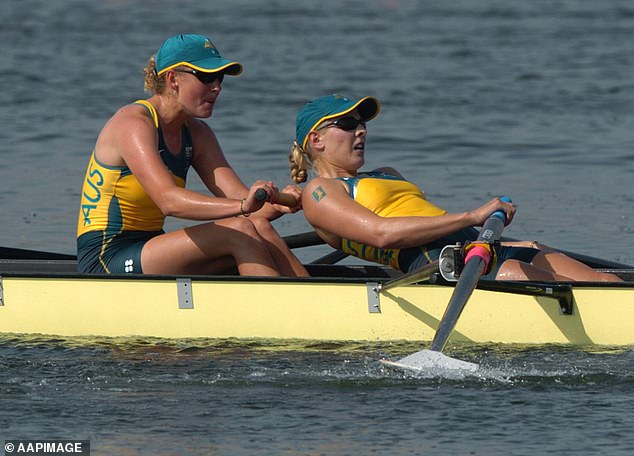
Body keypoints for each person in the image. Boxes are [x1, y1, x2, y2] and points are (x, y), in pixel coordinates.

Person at [288, 94, 622, 282]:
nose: (360, 131)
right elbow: (383, 235)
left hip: (477, 246)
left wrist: (509, 240)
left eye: (361, 124)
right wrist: (471, 215)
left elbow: (429, 219)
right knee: (567, 289)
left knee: (607, 284)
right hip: (441, 261)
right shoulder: (320, 192)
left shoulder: (387, 173)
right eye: (347, 124)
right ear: (315, 140)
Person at [77, 34, 307, 277]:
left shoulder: (197, 133)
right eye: (206, 77)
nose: (217, 87)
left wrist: (278, 203)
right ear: (173, 79)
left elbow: (244, 203)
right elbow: (170, 202)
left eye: (219, 77)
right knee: (241, 229)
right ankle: (276, 309)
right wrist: (244, 206)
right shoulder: (134, 124)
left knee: (258, 226)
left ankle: (312, 303)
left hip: (151, 248)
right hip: (106, 257)